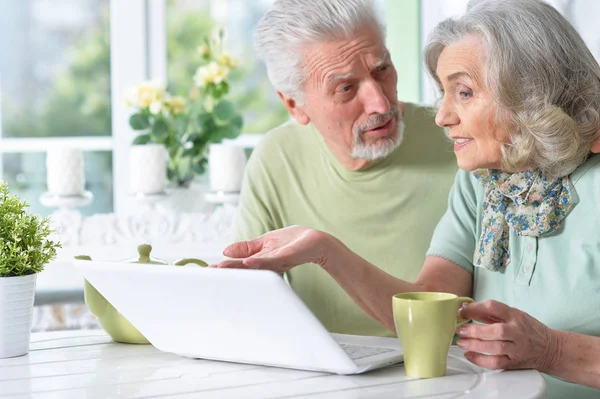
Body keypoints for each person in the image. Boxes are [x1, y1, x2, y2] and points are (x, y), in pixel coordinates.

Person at [216, 0, 600, 396]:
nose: (442, 117)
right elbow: (430, 309)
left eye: (464, 92)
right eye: (444, 92)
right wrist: (325, 250)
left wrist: (551, 350)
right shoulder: (482, 181)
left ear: (527, 89)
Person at [232, 0, 458, 338]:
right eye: (346, 88)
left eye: (382, 70)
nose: (381, 103)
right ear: (295, 105)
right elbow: (244, 298)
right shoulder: (276, 157)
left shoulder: (458, 142)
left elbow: (450, 319)